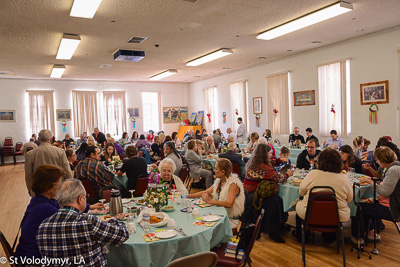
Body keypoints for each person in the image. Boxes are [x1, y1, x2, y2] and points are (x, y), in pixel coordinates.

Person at [15, 165, 104, 260]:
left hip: (26, 251)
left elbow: (61, 205)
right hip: (35, 258)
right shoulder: (45, 209)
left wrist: (90, 207)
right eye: (59, 183)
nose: (61, 186)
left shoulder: (39, 200)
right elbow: (72, 222)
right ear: (48, 186)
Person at [36, 179, 129, 267]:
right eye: (85, 197)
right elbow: (123, 234)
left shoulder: (42, 227)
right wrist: (112, 220)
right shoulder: (88, 222)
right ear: (80, 198)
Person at [295, 148, 353, 243]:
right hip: (336, 215)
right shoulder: (344, 178)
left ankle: (302, 237)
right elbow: (349, 199)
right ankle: (329, 237)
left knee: (299, 205)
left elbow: (301, 192)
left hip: (310, 213)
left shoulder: (313, 174)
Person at [244, 143, 292, 243]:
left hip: (247, 193)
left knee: (275, 199)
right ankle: (274, 230)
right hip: (254, 195)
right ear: (264, 154)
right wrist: (288, 174)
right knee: (276, 200)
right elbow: (279, 178)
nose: (272, 155)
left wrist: (279, 160)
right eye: (270, 153)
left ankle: (277, 226)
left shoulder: (252, 162)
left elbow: (271, 163)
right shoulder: (264, 168)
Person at [352, 147, 400, 242]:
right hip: (388, 203)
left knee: (357, 207)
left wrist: (370, 182)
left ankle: (358, 238)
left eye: (378, 160)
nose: (377, 162)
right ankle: (371, 232)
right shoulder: (391, 167)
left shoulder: (393, 170)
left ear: (384, 159)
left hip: (392, 209)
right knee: (364, 202)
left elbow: (385, 191)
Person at [188, 158, 245, 229]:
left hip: (230, 219)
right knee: (199, 219)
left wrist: (210, 201)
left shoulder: (233, 184)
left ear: (223, 172)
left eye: (216, 169)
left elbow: (229, 204)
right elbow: (205, 192)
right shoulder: (219, 181)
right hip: (220, 214)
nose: (214, 171)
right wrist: (186, 196)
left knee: (202, 226)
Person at [25, 129, 72, 196]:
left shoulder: (30, 154)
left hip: (39, 192)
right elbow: (67, 171)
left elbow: (28, 175)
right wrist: (70, 187)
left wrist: (30, 190)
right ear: (51, 139)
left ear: (38, 139)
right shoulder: (60, 152)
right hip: (57, 190)